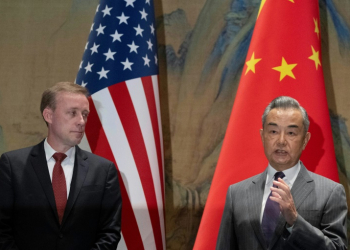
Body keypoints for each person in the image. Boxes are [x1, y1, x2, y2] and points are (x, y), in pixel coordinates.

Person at [0, 82, 122, 250]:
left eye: (85, 114)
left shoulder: (104, 170)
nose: (81, 121)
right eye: (72, 113)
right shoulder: (12, 165)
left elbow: (110, 232)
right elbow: (2, 229)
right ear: (48, 115)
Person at [216, 96, 347, 250]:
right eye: (273, 131)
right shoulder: (236, 193)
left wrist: (295, 221)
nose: (281, 141)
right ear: (262, 136)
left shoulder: (331, 193)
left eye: (291, 133)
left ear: (305, 140)